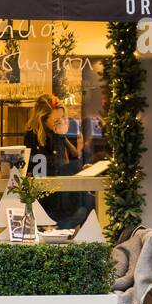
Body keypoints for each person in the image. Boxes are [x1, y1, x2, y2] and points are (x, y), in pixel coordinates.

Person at [24, 97, 91, 228]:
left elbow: (71, 164)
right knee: (84, 207)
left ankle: (62, 229)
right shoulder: (34, 137)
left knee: (89, 204)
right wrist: (60, 138)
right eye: (56, 120)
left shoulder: (65, 134)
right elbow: (44, 169)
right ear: (43, 119)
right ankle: (60, 228)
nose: (61, 122)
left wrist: (82, 165)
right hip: (48, 196)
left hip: (64, 193)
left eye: (62, 118)